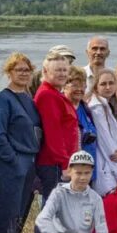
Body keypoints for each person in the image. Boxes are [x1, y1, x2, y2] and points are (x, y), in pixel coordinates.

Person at [0, 53, 43, 233]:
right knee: (8, 215)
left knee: (20, 214)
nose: (23, 74)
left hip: (30, 162)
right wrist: (12, 160)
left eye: (27, 70)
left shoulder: (29, 98)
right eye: (18, 70)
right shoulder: (4, 99)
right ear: (9, 72)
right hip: (12, 164)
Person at [34, 49, 78, 208]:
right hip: (53, 163)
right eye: (57, 70)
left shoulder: (55, 93)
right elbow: (53, 134)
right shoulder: (47, 95)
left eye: (65, 70)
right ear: (45, 71)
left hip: (57, 162)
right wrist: (65, 165)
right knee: (53, 209)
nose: (62, 74)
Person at [89, 68, 117, 197]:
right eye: (103, 84)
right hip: (107, 166)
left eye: (111, 83)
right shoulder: (96, 108)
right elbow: (105, 141)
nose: (108, 87)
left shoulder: (115, 105)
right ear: (96, 87)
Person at [65, 66, 101, 179]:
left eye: (82, 85)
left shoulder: (85, 108)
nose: (79, 89)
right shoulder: (62, 108)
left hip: (87, 166)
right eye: (74, 85)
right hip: (70, 169)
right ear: (64, 85)